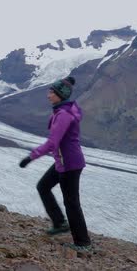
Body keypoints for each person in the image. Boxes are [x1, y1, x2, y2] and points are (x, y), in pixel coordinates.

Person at [19, 76, 92, 252]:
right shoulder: (61, 111)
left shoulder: (64, 115)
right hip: (63, 161)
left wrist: (31, 157)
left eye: (51, 92)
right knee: (43, 186)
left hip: (70, 164)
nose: (48, 95)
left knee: (72, 203)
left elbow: (52, 143)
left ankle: (83, 243)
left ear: (60, 95)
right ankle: (59, 223)